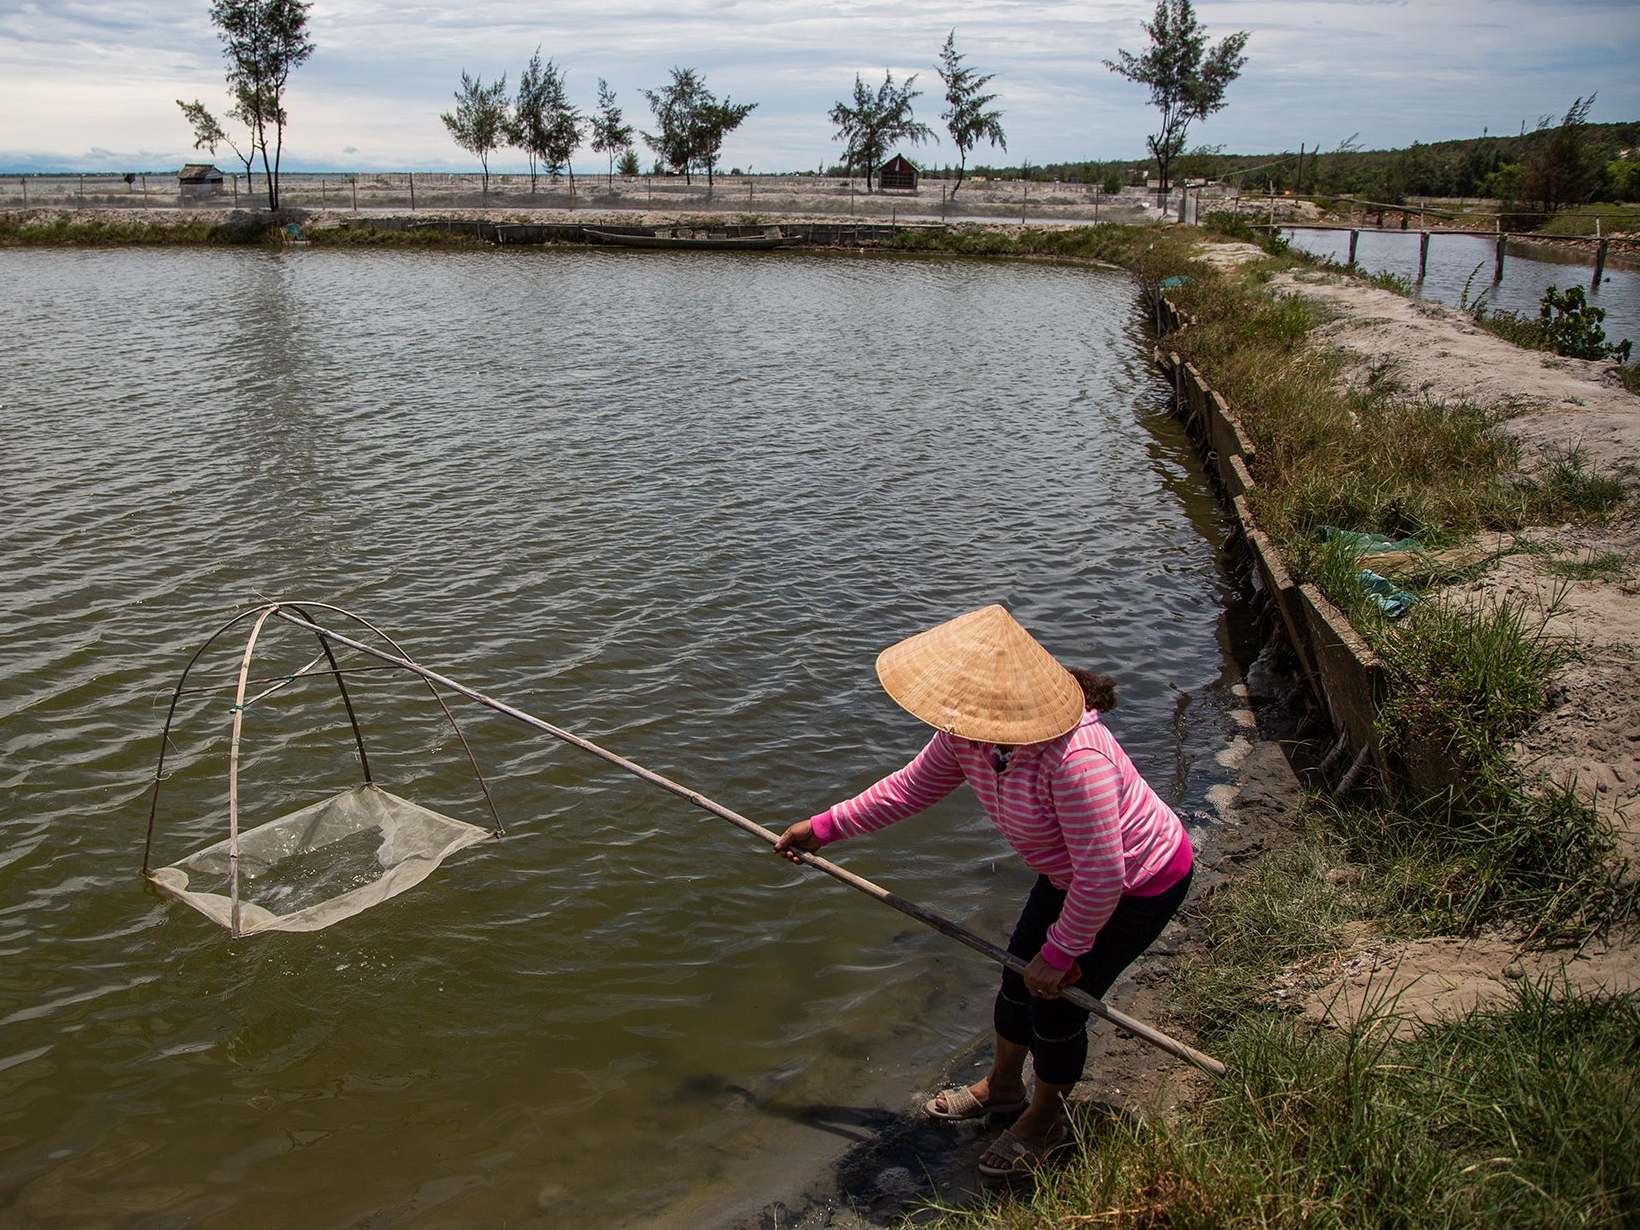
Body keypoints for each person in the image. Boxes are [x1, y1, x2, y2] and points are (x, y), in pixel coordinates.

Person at [774, 604, 1193, 1179]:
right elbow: (907, 790)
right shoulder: (968, 737)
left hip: (1138, 885)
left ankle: (1043, 1120)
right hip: (1072, 878)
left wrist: (1062, 953)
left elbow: (1104, 876)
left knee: (1055, 1006)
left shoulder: (1075, 760)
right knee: (1015, 980)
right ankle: (1002, 1087)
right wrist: (824, 827)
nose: (953, 714)